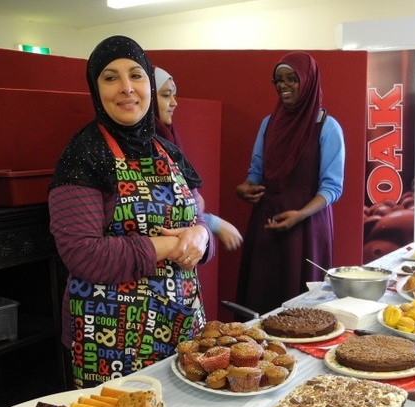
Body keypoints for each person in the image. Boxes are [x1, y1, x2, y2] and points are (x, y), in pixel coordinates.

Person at [48, 35, 215, 389]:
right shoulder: (83, 155)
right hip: (110, 339)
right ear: (96, 89)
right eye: (111, 78)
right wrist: (171, 247)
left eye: (136, 75)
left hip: (181, 325)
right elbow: (82, 255)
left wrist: (200, 237)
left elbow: (196, 217)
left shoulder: (167, 151)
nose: (127, 88)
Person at [235, 51, 345, 315]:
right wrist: (245, 186)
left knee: (301, 307)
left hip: (307, 226)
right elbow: (256, 171)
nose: (283, 86)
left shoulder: (327, 127)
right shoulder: (269, 123)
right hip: (268, 222)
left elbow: (332, 187)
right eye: (278, 80)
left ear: (307, 81)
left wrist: (300, 214)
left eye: (291, 79)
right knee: (262, 296)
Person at [153, 66, 243, 251]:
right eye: (166, 95)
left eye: (173, 95)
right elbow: (163, 208)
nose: (174, 102)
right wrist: (212, 222)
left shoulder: (169, 138)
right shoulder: (146, 144)